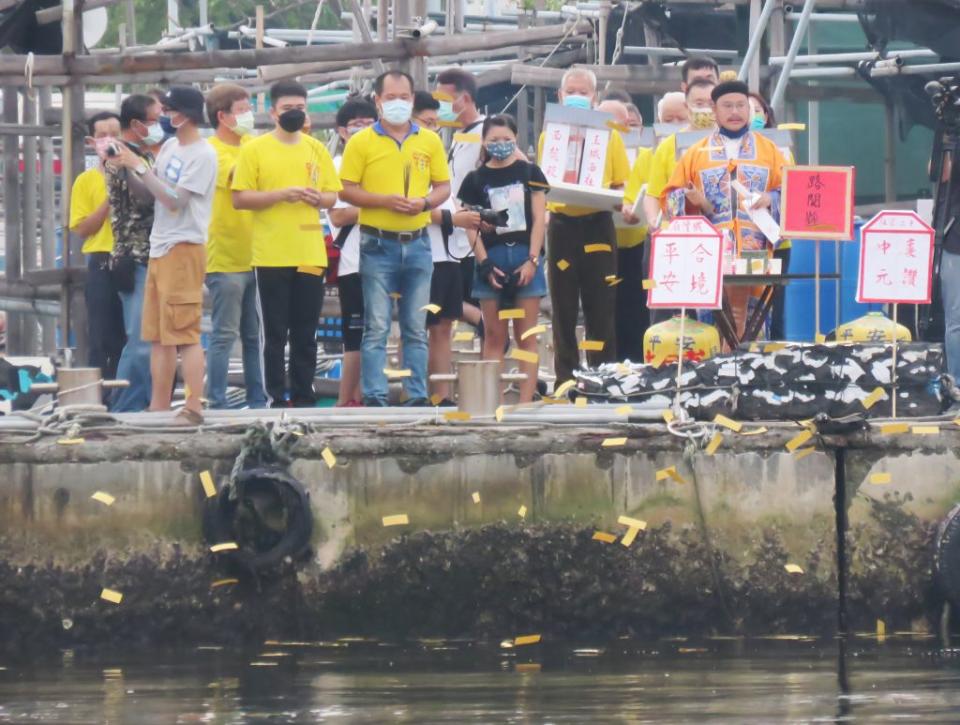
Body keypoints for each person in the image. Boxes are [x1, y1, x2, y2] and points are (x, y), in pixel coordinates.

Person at [339, 70, 451, 407]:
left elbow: (443, 186)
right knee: (376, 326)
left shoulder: (429, 140)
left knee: (416, 326)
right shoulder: (361, 142)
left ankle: (416, 394)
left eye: (404, 97)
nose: (398, 103)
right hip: (377, 242)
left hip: (418, 241)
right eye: (391, 98)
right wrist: (384, 200)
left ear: (413, 100)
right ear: (378, 101)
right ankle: (375, 396)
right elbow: (347, 189)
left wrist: (425, 203)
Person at [233, 80, 341, 408]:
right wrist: (279, 195)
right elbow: (240, 198)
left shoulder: (315, 148)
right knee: (275, 333)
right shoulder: (254, 149)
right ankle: (276, 398)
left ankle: (305, 396)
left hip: (309, 252)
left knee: (306, 332)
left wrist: (316, 197)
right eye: (287, 109)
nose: (294, 114)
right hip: (271, 254)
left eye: (300, 109)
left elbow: (332, 195)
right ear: (272, 112)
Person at [112, 86, 217, 423]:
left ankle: (194, 405)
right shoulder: (170, 146)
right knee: (158, 334)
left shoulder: (203, 154)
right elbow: (150, 194)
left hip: (185, 246)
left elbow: (175, 199)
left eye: (169, 111)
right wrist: (126, 165)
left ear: (184, 114)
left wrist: (139, 166)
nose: (164, 118)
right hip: (159, 245)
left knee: (185, 332)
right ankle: (158, 406)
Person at [662, 80, 784, 342]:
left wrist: (771, 198)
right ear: (714, 111)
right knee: (715, 329)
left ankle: (752, 377)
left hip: (756, 251)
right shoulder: (695, 154)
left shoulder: (770, 151)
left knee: (754, 327)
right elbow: (670, 199)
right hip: (709, 254)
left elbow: (791, 193)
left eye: (741, 105)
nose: (735, 111)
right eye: (727, 106)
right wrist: (693, 201)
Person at [538, 67, 629, 386]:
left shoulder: (611, 134)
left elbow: (621, 185)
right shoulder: (549, 134)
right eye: (571, 92)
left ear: (595, 98)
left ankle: (603, 378)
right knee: (562, 308)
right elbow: (543, 185)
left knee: (601, 306)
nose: (577, 97)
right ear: (560, 96)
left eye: (584, 92)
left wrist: (623, 203)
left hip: (598, 224)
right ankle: (565, 379)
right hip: (562, 226)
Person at [459, 115, 548, 403]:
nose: (500, 145)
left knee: (527, 335)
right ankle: (491, 399)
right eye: (494, 140)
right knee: (494, 335)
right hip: (492, 256)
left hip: (524, 254)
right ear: (483, 142)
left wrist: (533, 260)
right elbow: (470, 223)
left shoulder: (530, 172)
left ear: (516, 139)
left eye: (506, 139)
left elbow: (539, 220)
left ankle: (524, 400)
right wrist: (484, 262)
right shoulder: (475, 179)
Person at [203, 83, 266, 409]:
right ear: (222, 116)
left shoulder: (253, 145)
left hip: (259, 255)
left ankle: (258, 400)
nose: (249, 116)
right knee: (224, 335)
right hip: (225, 256)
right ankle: (216, 401)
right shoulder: (212, 151)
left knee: (254, 338)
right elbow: (242, 180)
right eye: (242, 110)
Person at [106, 93, 164, 412]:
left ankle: (142, 402)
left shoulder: (145, 154)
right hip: (133, 256)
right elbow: (145, 197)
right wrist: (139, 167)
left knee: (152, 338)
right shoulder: (119, 155)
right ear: (137, 124)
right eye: (155, 119)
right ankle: (124, 408)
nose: (161, 125)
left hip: (154, 255)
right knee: (140, 341)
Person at [413, 91, 463, 405]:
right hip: (420, 252)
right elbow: (411, 209)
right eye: (426, 122)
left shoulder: (439, 157)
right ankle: (415, 391)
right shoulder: (405, 158)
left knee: (444, 326)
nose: (432, 129)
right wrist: (453, 217)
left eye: (435, 123)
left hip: (448, 254)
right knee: (417, 326)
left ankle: (442, 395)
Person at [328, 98, 378, 407]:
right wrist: (381, 205)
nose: (363, 130)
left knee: (379, 333)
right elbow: (338, 216)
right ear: (342, 132)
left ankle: (365, 397)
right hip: (353, 262)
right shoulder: (336, 165)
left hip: (385, 259)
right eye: (356, 125)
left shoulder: (384, 162)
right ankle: (346, 400)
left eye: (368, 123)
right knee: (354, 335)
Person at [70, 111, 125, 384]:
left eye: (115, 133)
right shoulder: (86, 181)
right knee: (101, 333)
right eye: (102, 135)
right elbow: (82, 228)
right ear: (92, 142)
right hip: (101, 259)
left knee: (130, 333)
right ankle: (100, 392)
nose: (110, 140)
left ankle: (129, 393)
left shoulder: (140, 172)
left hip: (133, 258)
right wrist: (109, 196)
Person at [435, 68, 485, 334]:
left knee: (467, 307)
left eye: (443, 101)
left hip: (479, 237)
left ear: (463, 99)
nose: (438, 109)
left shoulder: (488, 131)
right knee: (450, 310)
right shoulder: (457, 136)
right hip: (457, 237)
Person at [644, 79, 717, 233]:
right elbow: (653, 194)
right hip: (680, 231)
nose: (705, 109)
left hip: (720, 229)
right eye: (699, 103)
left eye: (710, 104)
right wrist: (653, 221)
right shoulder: (668, 145)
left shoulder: (728, 142)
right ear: (687, 107)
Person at [749, 90, 792, 340]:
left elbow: (793, 188)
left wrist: (770, 198)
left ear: (766, 115)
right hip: (744, 240)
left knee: (774, 307)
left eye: (757, 110)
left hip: (777, 241)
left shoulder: (780, 150)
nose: (752, 116)